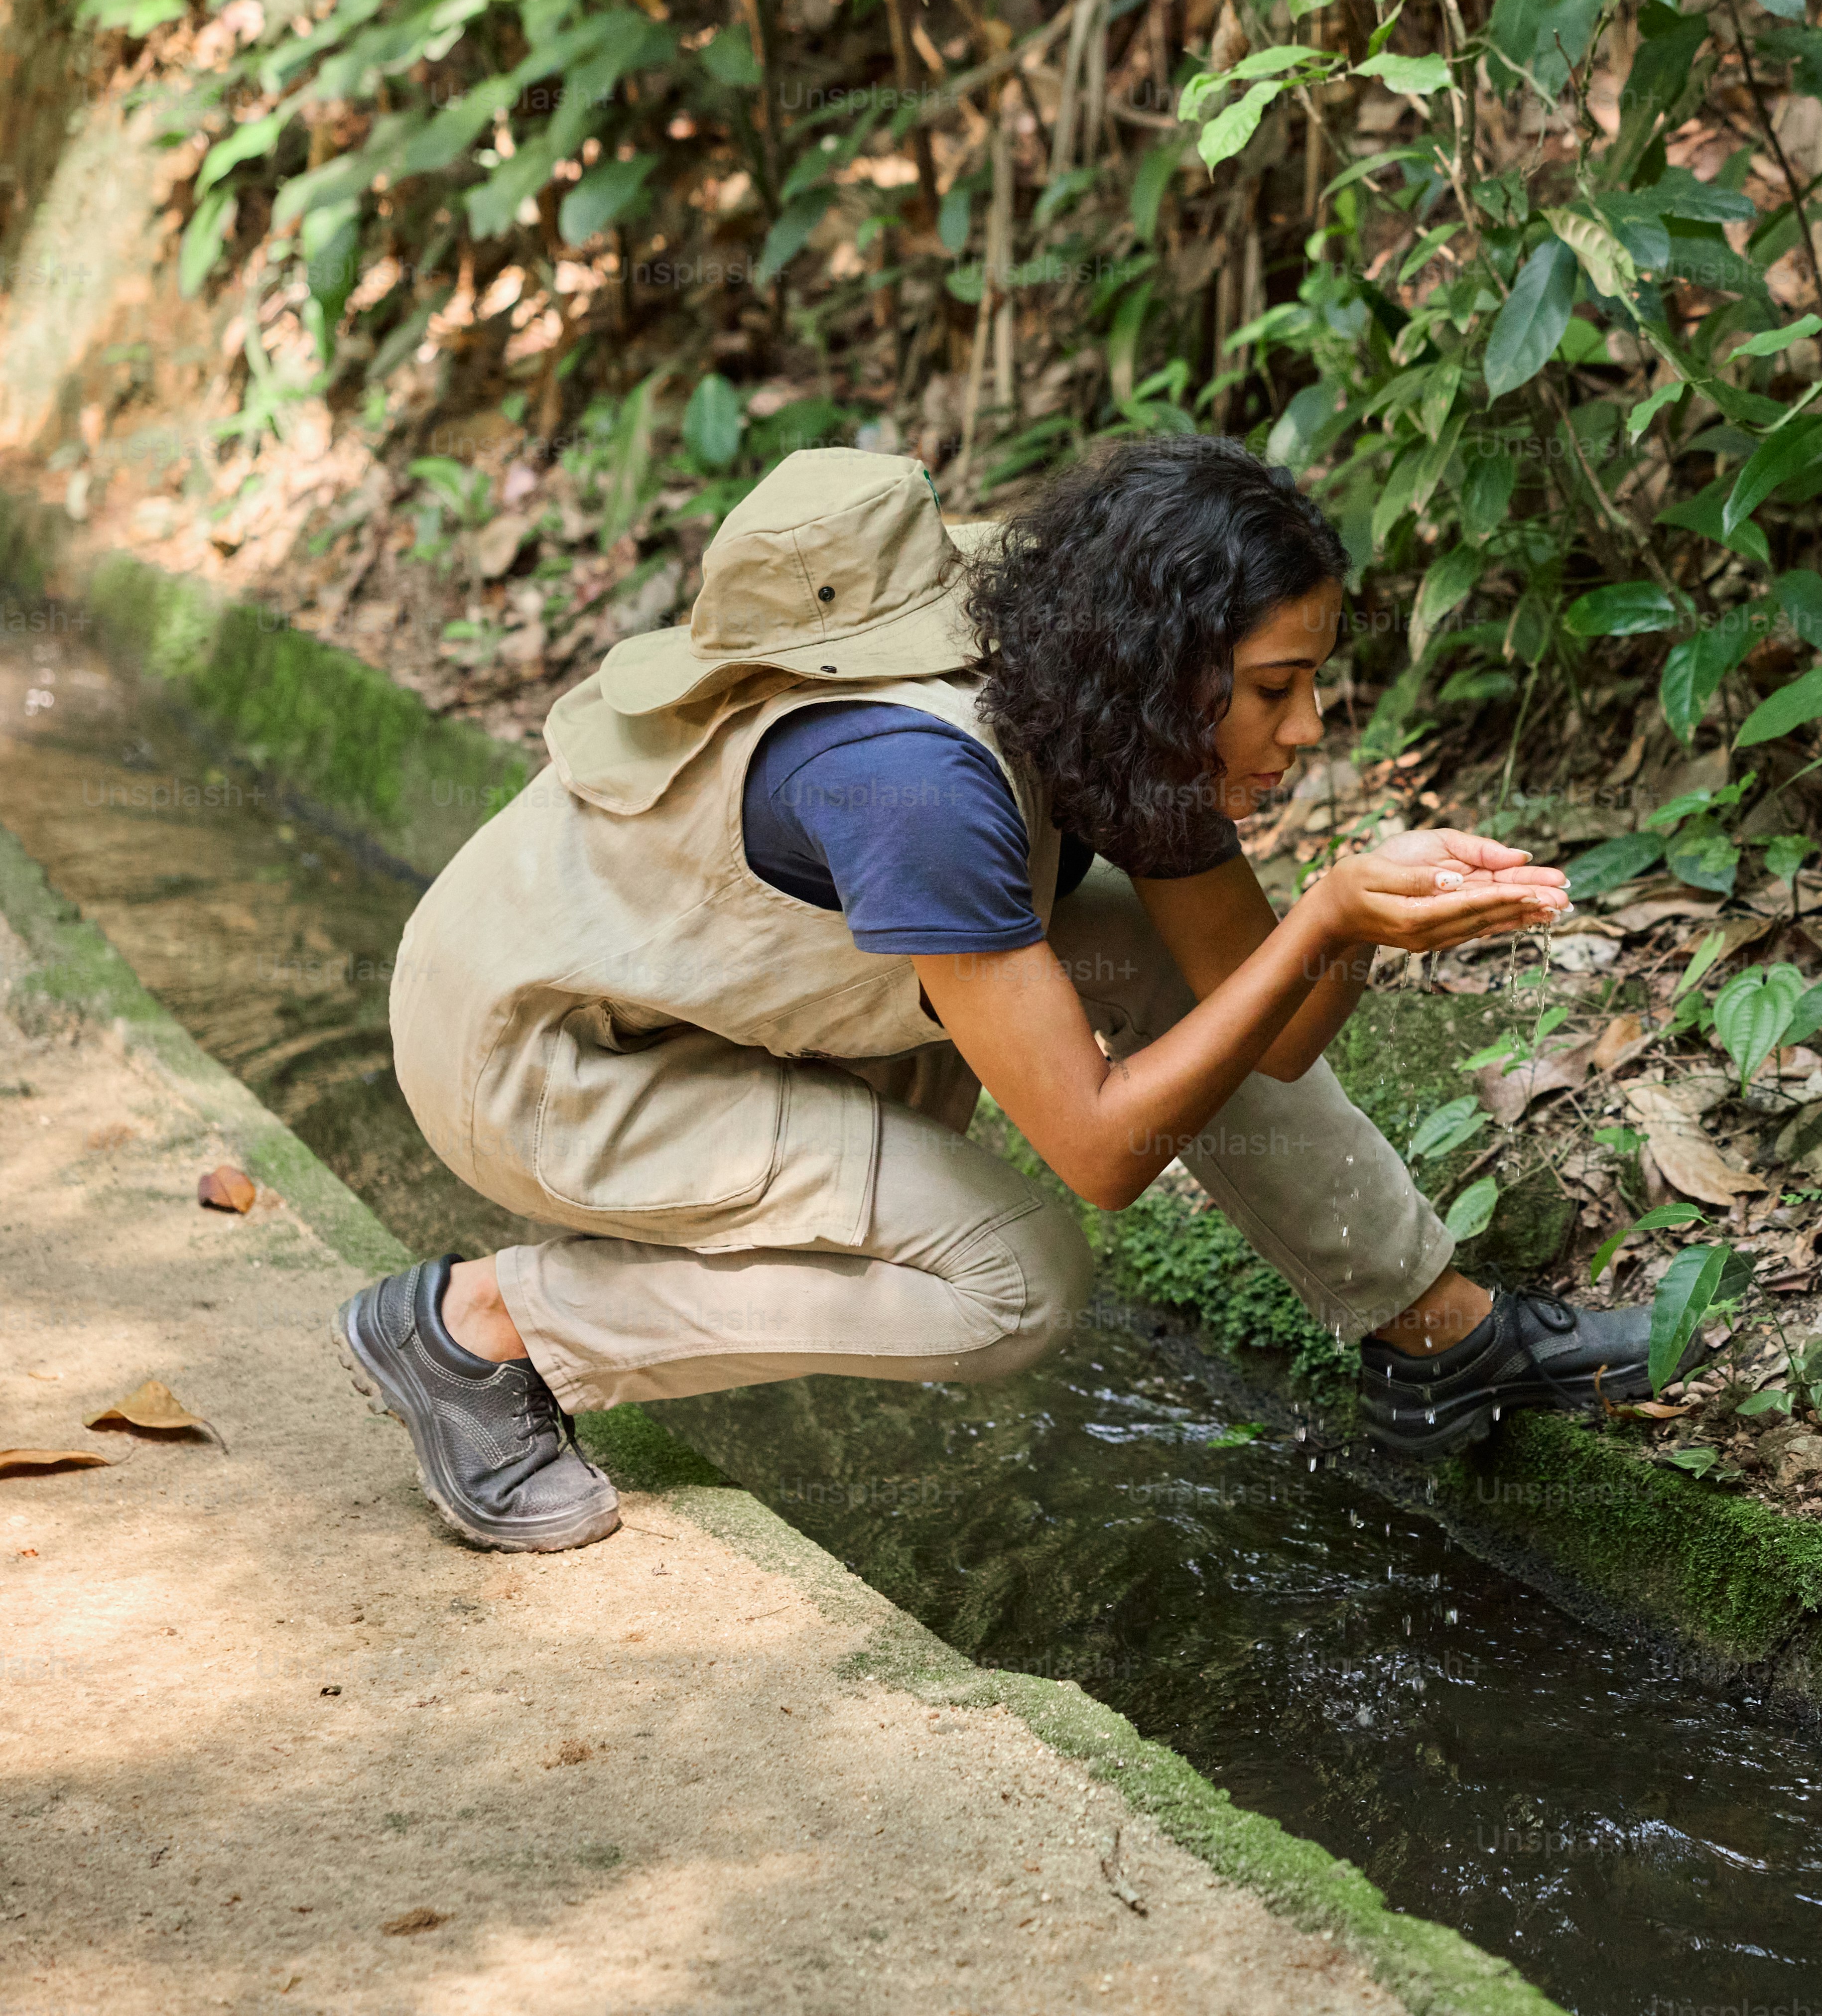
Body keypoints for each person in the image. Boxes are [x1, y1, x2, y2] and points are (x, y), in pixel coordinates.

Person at [339, 437, 1657, 1552]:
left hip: (730, 1004)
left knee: (1142, 952)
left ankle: (1436, 1337)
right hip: (544, 1055)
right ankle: (483, 1329)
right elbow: (1098, 1150)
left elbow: (1275, 1026)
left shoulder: (1101, 671)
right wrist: (1326, 911)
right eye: (1275, 690)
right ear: (1174, 671)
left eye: (1311, 681)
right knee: (1014, 1280)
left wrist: (1366, 930)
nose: (1306, 730)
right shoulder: (915, 782)